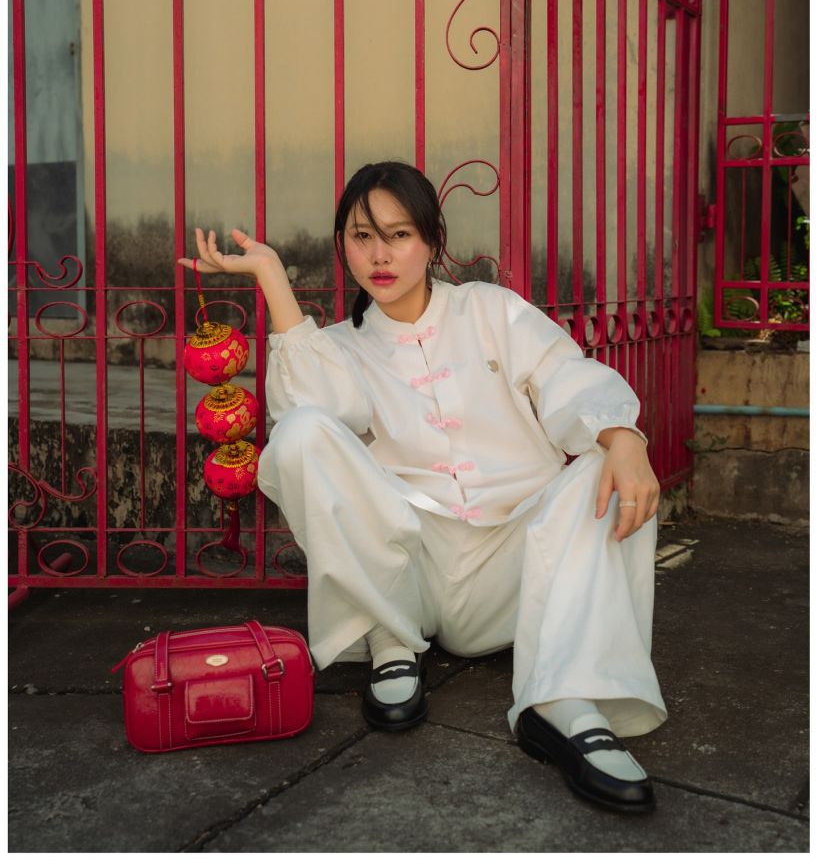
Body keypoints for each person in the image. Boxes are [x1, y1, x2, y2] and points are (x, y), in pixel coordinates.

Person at [179, 161, 667, 814]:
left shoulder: (491, 310)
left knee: (599, 471)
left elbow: (565, 377)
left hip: (521, 568)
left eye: (399, 234)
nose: (379, 255)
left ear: (432, 241)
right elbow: (308, 419)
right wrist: (271, 277)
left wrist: (622, 437)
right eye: (360, 236)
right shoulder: (338, 348)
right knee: (297, 434)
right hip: (413, 573)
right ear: (341, 246)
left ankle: (564, 702)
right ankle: (389, 641)